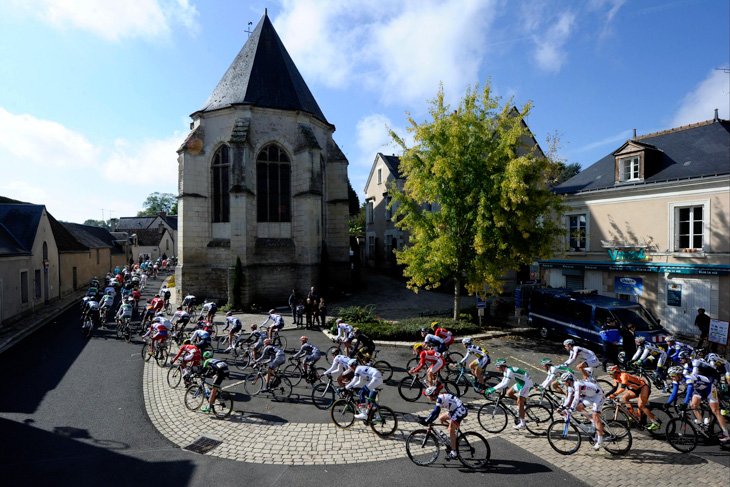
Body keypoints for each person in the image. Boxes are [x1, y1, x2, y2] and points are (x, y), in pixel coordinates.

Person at [664, 366, 729, 442]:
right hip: (699, 389)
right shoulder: (676, 380)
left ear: (679, 375)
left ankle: (726, 434)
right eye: (670, 375)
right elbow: (674, 393)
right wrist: (668, 403)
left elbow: (689, 393)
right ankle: (702, 425)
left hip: (709, 388)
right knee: (693, 405)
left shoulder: (689, 379)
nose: (671, 377)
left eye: (673, 375)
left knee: (715, 411)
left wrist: (685, 404)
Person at [560, 373, 606, 450]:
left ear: (569, 380)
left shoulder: (577, 384)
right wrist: (562, 407)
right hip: (589, 397)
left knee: (595, 416)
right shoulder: (570, 386)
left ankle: (600, 442)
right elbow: (569, 399)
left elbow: (576, 398)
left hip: (598, 396)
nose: (563, 383)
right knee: (578, 407)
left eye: (564, 381)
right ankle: (592, 421)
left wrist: (571, 409)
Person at [606, 365, 660, 430]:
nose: (610, 375)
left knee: (641, 405)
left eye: (611, 373)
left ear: (616, 372)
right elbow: (614, 389)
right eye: (608, 374)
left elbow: (623, 388)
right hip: (636, 388)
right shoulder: (616, 378)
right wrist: (605, 395)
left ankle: (655, 422)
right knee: (625, 397)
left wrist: (614, 395)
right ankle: (632, 415)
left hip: (643, 387)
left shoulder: (623, 376)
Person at [484, 359, 534, 430]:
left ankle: (523, 424)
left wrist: (492, 389)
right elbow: (502, 383)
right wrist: (495, 389)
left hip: (527, 383)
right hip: (521, 382)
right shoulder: (506, 371)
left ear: (501, 366)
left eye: (497, 367)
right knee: (509, 393)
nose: (496, 368)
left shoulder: (509, 371)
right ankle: (524, 404)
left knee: (520, 402)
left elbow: (505, 384)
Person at [420, 385, 467, 460]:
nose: (427, 397)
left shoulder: (439, 398)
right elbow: (435, 413)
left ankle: (454, 453)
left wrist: (427, 420)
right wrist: (427, 419)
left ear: (432, 395)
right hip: (455, 410)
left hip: (460, 410)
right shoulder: (438, 398)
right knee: (441, 418)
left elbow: (436, 411)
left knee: (451, 429)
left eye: (427, 396)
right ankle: (453, 436)